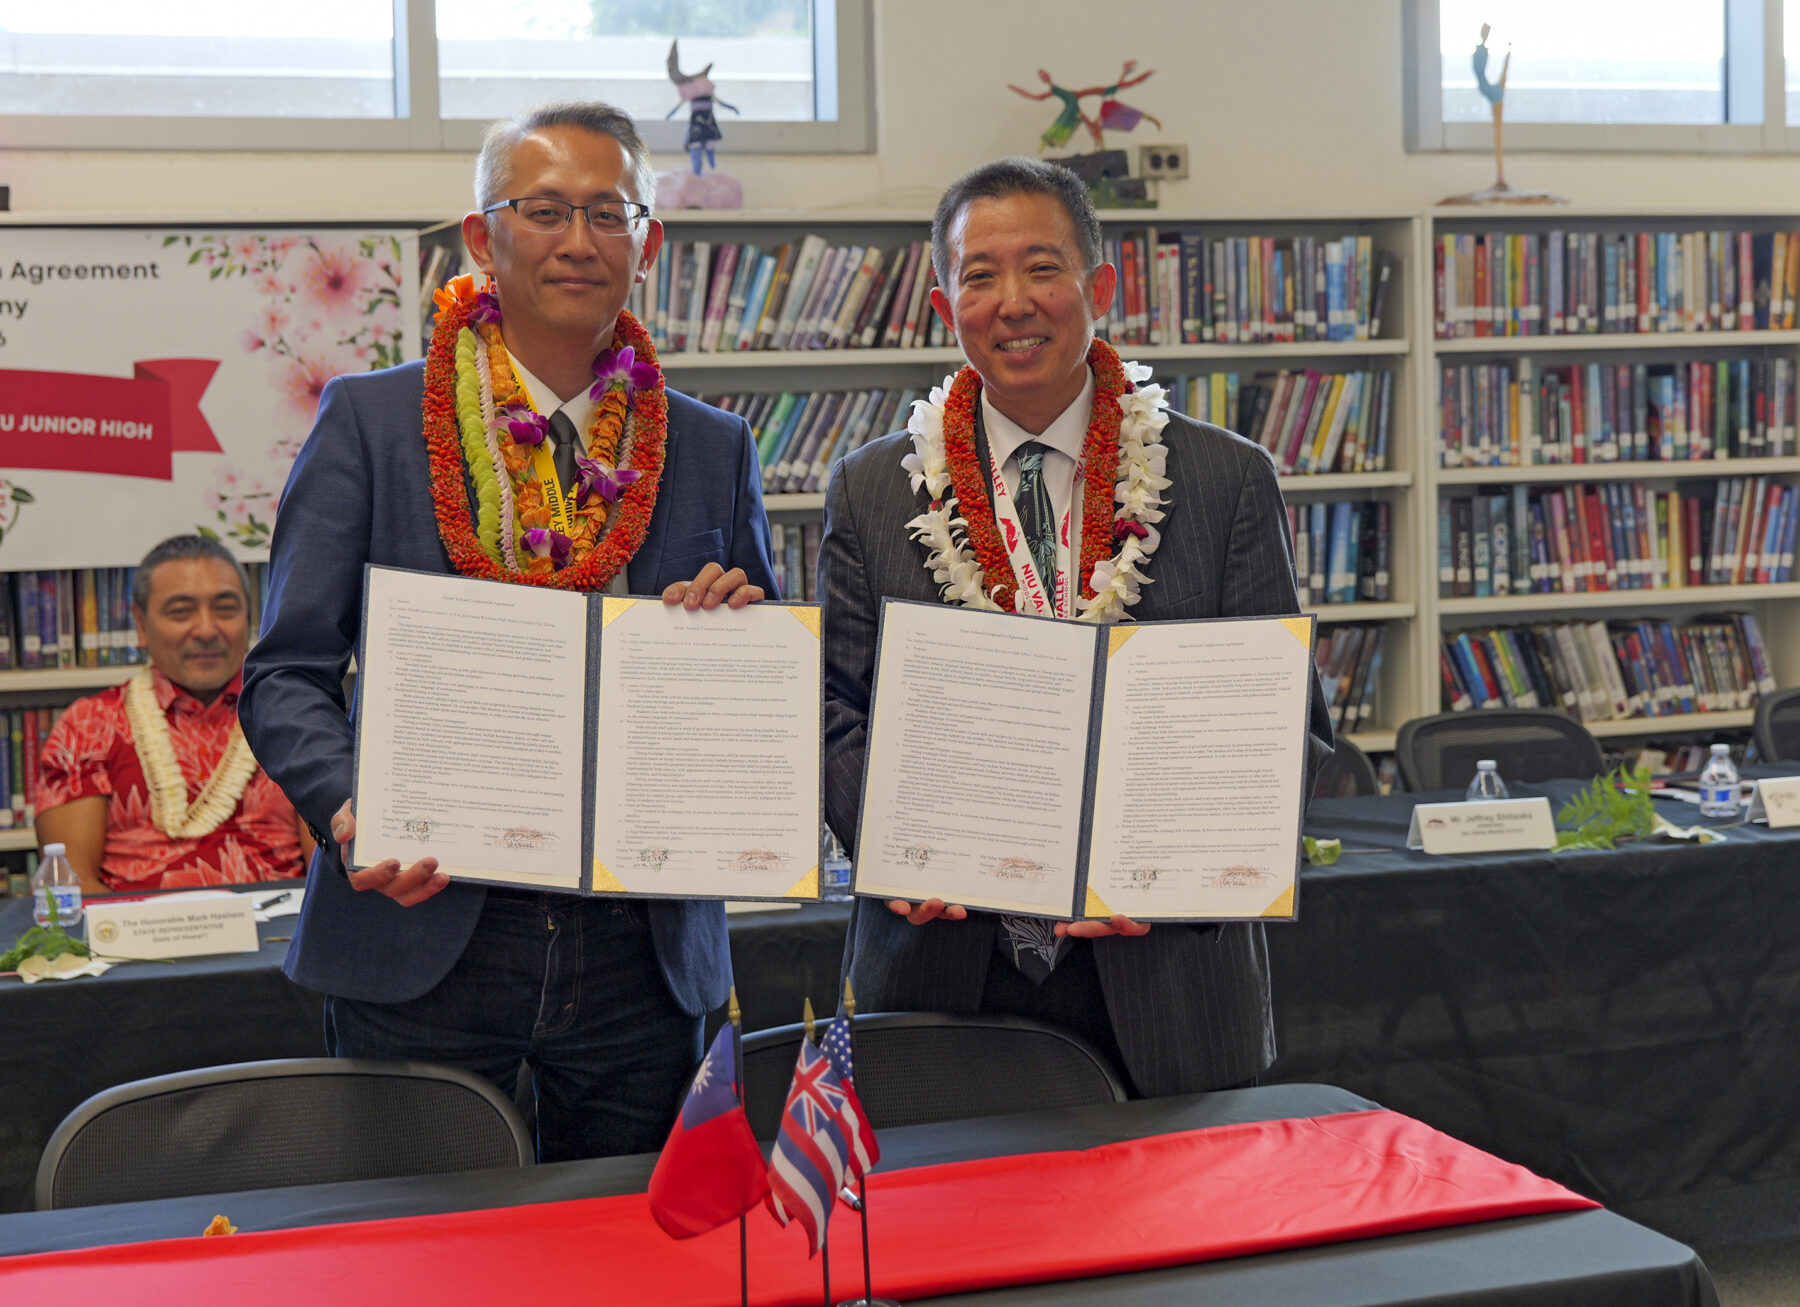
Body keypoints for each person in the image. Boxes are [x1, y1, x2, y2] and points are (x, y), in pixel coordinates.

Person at [238, 101, 778, 1162]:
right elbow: (287, 670)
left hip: (643, 947)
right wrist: (349, 806)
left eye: (609, 213)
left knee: (631, 1253)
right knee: (416, 1247)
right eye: (545, 211)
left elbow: (756, 679)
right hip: (424, 927)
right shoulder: (373, 422)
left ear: (648, 243)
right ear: (483, 237)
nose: (579, 241)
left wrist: (739, 640)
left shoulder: (715, 447)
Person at [819, 157, 1333, 1098]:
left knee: (1185, 1242)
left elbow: (1279, 721)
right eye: (980, 275)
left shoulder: (1226, 480)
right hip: (944, 969)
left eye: (1042, 268)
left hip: (1170, 979)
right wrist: (898, 851)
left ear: (1100, 287)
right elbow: (835, 707)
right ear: (946, 305)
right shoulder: (868, 488)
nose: (1013, 302)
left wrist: (1176, 879)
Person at [35, 535, 311, 894]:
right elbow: (73, 888)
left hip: (282, 941)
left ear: (251, 617)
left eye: (226, 608)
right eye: (181, 611)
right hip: (139, 943)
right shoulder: (88, 725)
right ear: (141, 625)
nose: (207, 630)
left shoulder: (296, 717)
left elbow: (330, 876)